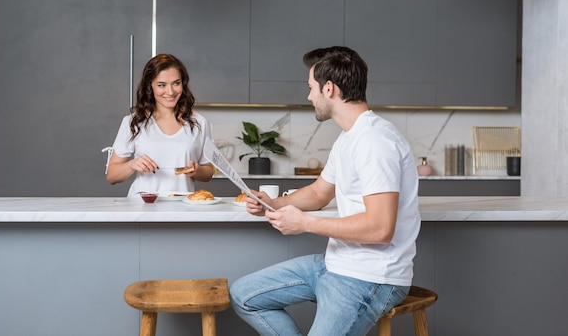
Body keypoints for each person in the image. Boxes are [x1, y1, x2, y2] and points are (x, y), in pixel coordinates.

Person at [230, 46, 421, 336]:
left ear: (329, 89)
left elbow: (381, 228)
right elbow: (320, 192)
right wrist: (274, 203)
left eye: (311, 88)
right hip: (335, 264)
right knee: (244, 294)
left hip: (370, 276)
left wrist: (304, 223)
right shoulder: (349, 138)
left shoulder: (375, 141)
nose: (309, 96)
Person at [104, 53, 214, 196]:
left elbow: (208, 172)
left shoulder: (199, 123)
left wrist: (197, 170)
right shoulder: (134, 122)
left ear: (183, 83)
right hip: (142, 207)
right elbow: (112, 176)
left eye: (176, 83)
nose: (171, 92)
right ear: (150, 86)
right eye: (162, 85)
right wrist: (132, 164)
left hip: (183, 209)